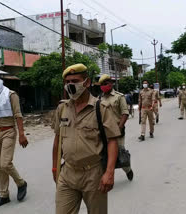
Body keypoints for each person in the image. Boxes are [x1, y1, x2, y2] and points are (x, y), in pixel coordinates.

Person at [52, 64, 121, 214]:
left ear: (87, 82)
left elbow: (112, 141)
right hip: (67, 173)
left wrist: (109, 172)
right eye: (67, 82)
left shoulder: (101, 108)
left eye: (75, 81)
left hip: (93, 174)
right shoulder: (62, 109)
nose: (71, 85)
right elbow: (57, 140)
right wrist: (55, 167)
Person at [0, 70, 28, 209]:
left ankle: (21, 183)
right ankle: (4, 195)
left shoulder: (10, 95)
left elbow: (18, 115)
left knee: (5, 164)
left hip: (8, 131)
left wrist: (21, 134)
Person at [99, 74, 134, 181]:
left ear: (111, 83)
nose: (104, 86)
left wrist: (120, 127)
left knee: (120, 154)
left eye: (106, 83)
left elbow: (125, 113)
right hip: (104, 132)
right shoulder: (100, 98)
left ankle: (128, 169)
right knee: (103, 154)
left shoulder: (119, 96)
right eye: (102, 84)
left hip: (117, 130)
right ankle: (106, 176)